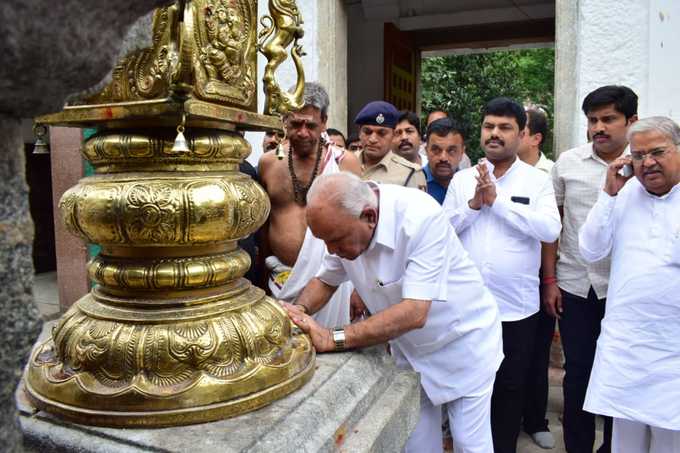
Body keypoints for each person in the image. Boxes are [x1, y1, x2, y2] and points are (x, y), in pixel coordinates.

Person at [284, 172, 503, 453]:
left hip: (462, 343)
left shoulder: (420, 216)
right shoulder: (343, 227)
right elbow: (326, 279)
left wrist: (332, 337)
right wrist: (298, 312)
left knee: (469, 444)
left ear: (369, 217)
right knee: (415, 444)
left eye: (336, 241)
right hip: (409, 351)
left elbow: (414, 312)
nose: (332, 250)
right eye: (324, 241)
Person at [443, 97, 561, 453]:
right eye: (489, 126)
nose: (495, 134)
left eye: (505, 127)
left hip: (517, 308)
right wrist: (473, 205)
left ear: (522, 133)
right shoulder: (462, 181)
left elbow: (550, 230)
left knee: (510, 388)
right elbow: (442, 232)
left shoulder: (537, 181)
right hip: (467, 308)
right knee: (469, 387)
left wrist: (499, 202)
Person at [578, 116, 680, 453]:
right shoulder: (621, 193)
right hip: (627, 347)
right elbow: (591, 250)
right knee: (624, 443)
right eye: (638, 155)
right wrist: (608, 195)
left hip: (673, 351)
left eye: (657, 152)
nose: (647, 162)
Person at [547, 85, 639, 453]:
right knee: (578, 376)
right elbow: (553, 224)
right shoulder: (568, 163)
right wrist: (550, 280)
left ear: (631, 121)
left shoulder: (646, 164)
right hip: (575, 286)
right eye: (592, 120)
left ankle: (616, 447)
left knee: (621, 375)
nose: (599, 127)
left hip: (626, 289)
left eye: (608, 119)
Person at [258, 82, 361, 328]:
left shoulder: (345, 163)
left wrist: (359, 287)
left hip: (333, 282)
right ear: (284, 121)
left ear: (324, 121)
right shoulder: (269, 164)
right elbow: (262, 224)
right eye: (295, 124)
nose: (303, 132)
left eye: (311, 125)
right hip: (281, 280)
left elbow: (360, 228)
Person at [518, 106, 557, 449]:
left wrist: (549, 280)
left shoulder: (549, 174)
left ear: (533, 137)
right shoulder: (483, 173)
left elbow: (552, 233)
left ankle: (535, 419)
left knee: (536, 353)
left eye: (518, 128)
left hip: (539, 279)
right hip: (502, 284)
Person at [355, 101, 426, 190]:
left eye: (381, 133)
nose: (372, 139)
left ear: (393, 135)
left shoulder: (410, 174)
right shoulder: (341, 162)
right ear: (359, 133)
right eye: (367, 132)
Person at [423, 118, 466, 205]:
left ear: (462, 153)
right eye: (436, 150)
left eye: (451, 151)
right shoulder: (413, 183)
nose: (443, 158)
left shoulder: (470, 186)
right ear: (426, 151)